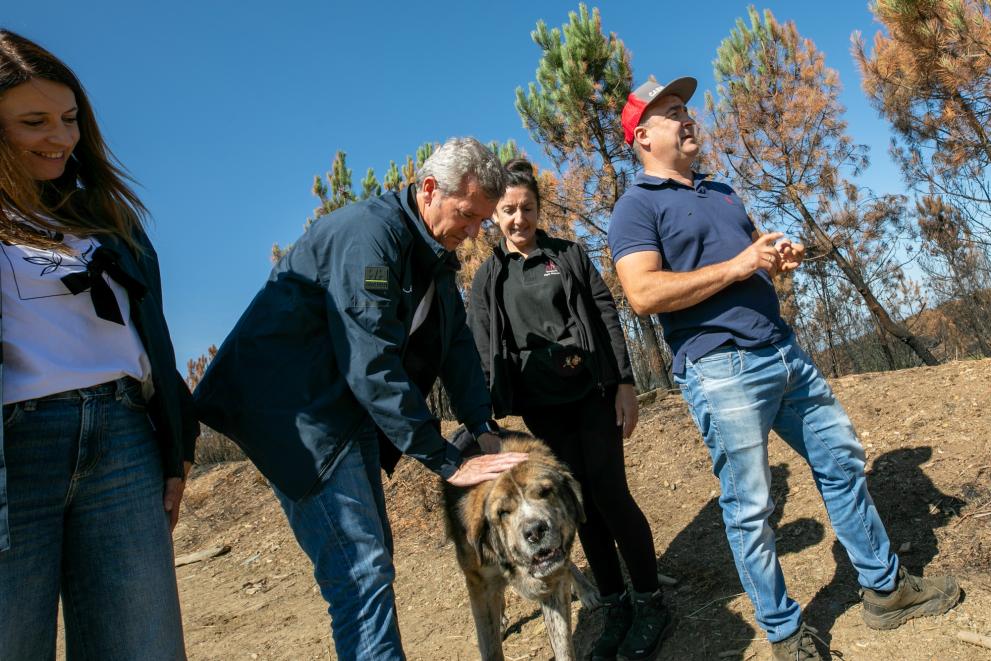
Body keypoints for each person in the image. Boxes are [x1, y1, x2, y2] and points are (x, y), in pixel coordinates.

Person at [607, 74, 961, 660]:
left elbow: (751, 262)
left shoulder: (720, 192)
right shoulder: (635, 207)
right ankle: (786, 633)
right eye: (673, 112)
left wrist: (774, 257)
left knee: (843, 461)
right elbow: (642, 293)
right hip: (722, 370)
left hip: (783, 351)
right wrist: (742, 264)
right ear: (643, 136)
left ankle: (885, 589)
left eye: (687, 108)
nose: (688, 117)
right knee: (751, 507)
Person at [194, 137, 528, 661]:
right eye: (467, 216)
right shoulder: (369, 238)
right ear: (428, 189)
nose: (473, 233)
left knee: (371, 563)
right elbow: (370, 359)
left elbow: (455, 343)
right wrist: (445, 459)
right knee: (360, 568)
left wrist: (481, 425)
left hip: (346, 412)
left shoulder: (432, 255)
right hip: (298, 413)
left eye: (481, 221)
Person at [0, 29, 197, 659]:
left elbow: (155, 339)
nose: (59, 137)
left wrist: (176, 445)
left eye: (69, 118)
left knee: (143, 646)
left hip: (122, 442)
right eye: (33, 121)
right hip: (15, 448)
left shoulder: (105, 216)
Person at [469, 158, 673, 661]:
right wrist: (480, 416)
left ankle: (650, 601)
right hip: (541, 412)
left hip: (592, 396)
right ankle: (615, 604)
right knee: (575, 509)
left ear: (539, 209)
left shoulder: (571, 255)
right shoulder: (489, 277)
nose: (520, 219)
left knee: (608, 495)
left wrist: (624, 382)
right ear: (495, 214)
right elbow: (476, 345)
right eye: (509, 210)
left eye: (528, 208)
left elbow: (605, 316)